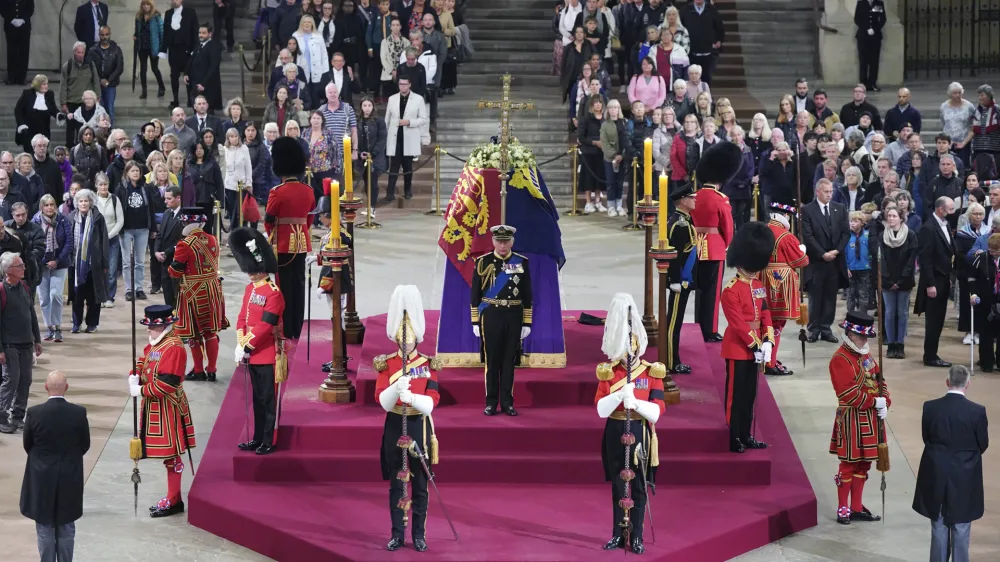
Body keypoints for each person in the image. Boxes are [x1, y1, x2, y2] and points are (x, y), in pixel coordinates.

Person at [594, 292, 665, 555]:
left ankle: (636, 535)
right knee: (617, 483)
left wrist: (636, 403)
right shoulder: (609, 372)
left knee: (637, 485)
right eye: (623, 350)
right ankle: (616, 533)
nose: (628, 354)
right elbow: (601, 409)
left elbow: (657, 412)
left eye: (631, 348)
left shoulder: (650, 371)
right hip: (614, 429)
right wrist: (618, 396)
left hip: (639, 430)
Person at [372, 284, 441, 552]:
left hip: (418, 425)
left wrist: (412, 398)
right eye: (401, 338)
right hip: (394, 425)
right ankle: (397, 534)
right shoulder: (386, 364)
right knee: (396, 485)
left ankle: (419, 534)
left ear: (417, 338)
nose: (405, 342)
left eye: (409, 338)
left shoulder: (427, 364)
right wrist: (395, 389)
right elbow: (381, 400)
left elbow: (433, 402)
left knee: (420, 486)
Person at [912, 365, 988, 562]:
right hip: (965, 475)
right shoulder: (977, 412)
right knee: (961, 526)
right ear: (967, 384)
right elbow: (982, 444)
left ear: (947, 382)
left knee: (938, 524)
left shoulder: (930, 407)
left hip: (936, 471)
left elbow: (926, 437)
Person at [127, 304, 195, 518]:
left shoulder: (173, 347)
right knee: (169, 456)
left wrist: (141, 390)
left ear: (164, 325)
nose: (148, 330)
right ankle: (173, 497)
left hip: (168, 407)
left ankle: (174, 499)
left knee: (172, 455)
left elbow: (168, 384)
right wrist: (135, 372)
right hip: (156, 406)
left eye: (151, 327)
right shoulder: (159, 343)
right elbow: (144, 360)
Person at [19, 371, 89, 562]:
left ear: (45, 387)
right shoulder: (78, 413)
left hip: (41, 477)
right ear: (66, 388)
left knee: (44, 527)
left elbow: (28, 444)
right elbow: (85, 444)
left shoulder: (34, 413)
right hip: (69, 476)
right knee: (66, 526)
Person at [829, 310, 888, 524]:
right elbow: (847, 393)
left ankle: (856, 506)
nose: (864, 339)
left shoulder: (866, 355)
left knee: (864, 465)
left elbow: (880, 380)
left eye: (866, 336)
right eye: (861, 336)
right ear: (850, 333)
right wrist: (875, 402)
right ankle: (843, 507)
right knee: (848, 464)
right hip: (851, 418)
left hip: (870, 419)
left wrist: (885, 402)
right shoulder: (840, 358)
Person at [721, 222, 775, 453]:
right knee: (735, 396)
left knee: (750, 395)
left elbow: (765, 313)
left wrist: (768, 340)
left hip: (756, 348)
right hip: (737, 348)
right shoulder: (730, 290)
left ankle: (746, 433)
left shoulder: (757, 284)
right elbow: (738, 324)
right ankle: (734, 436)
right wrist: (756, 344)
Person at [231, 227, 285, 455]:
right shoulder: (249, 289)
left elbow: (266, 325)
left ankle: (268, 440)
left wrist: (247, 344)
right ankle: (256, 437)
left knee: (267, 400)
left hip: (266, 352)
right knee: (256, 399)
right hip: (251, 352)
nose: (250, 274)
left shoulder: (274, 293)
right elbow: (242, 317)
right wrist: (240, 342)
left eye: (253, 270)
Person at [471, 225, 532, 417]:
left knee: (509, 361)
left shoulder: (521, 262)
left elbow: (527, 294)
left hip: (513, 316)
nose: (502, 245)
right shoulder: (483, 262)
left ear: (512, 242)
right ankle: (491, 402)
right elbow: (475, 293)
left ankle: (507, 403)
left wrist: (527, 322)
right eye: (499, 241)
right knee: (492, 361)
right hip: (491, 316)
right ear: (493, 242)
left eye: (506, 241)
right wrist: (474, 321)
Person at [167, 207, 228, 382]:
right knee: (211, 332)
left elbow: (175, 272)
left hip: (193, 293)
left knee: (193, 334)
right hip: (213, 289)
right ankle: (212, 369)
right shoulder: (213, 239)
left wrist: (171, 267)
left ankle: (199, 370)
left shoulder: (184, 244)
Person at [264, 137, 315, 340]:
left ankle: (285, 328)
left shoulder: (277, 192)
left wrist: (273, 237)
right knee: (299, 285)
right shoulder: (308, 191)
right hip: (301, 242)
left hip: (283, 244)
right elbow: (309, 219)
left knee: (283, 286)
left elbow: (269, 220)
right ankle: (298, 326)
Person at [691, 142, 737, 343]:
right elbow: (727, 227)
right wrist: (727, 244)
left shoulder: (695, 196)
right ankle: (710, 330)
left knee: (700, 290)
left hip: (696, 246)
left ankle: (698, 324)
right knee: (713, 292)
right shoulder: (721, 199)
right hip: (715, 247)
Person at [763, 201, 808, 376]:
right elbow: (800, 261)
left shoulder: (762, 231)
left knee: (765, 321)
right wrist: (802, 250)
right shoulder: (786, 236)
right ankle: (770, 361)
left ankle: (767, 357)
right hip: (781, 283)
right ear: (786, 216)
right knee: (776, 325)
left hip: (762, 280)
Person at [0, 252, 43, 434]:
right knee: (11, 380)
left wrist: (37, 339)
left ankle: (18, 416)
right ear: (9, 270)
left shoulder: (24, 286)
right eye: (20, 266)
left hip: (26, 343)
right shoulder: (1, 290)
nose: (24, 268)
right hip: (9, 344)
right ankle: (2, 417)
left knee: (26, 380)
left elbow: (31, 314)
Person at [802, 179, 849, 342]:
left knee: (830, 296)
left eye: (831, 191)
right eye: (826, 192)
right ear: (818, 192)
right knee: (816, 296)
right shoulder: (807, 210)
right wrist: (822, 254)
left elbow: (845, 233)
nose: (830, 194)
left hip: (835, 261)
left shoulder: (840, 208)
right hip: (816, 261)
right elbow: (807, 236)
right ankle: (813, 329)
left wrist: (835, 251)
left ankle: (826, 328)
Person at [916, 197, 957, 367]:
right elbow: (925, 260)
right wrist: (930, 284)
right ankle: (930, 355)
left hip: (944, 278)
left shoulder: (945, 224)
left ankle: (933, 353)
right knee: (933, 320)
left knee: (939, 319)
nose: (953, 212)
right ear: (940, 209)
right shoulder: (928, 228)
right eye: (951, 209)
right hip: (934, 281)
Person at [876, 206, 917, 359]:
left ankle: (900, 344)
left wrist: (900, 281)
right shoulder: (882, 236)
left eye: (894, 216)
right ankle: (891, 344)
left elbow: (911, 260)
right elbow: (881, 260)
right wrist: (888, 280)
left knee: (902, 313)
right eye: (889, 216)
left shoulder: (910, 235)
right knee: (889, 313)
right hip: (887, 281)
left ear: (901, 218)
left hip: (904, 281)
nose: (891, 218)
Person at [665, 183, 697, 374]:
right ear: (683, 201)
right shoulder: (679, 223)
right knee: (673, 323)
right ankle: (671, 361)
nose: (695, 200)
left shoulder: (685, 220)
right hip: (680, 280)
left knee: (676, 321)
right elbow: (674, 254)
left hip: (686, 279)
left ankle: (674, 359)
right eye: (692, 198)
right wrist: (675, 280)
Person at [32, 196, 70, 341]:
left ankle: (58, 326)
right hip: (41, 265)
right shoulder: (35, 221)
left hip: (59, 263)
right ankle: (49, 328)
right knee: (43, 299)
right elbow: (34, 243)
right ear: (41, 207)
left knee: (56, 295)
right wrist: (43, 261)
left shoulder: (62, 220)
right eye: (46, 205)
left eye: (52, 204)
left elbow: (69, 243)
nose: (49, 207)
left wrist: (57, 260)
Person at [384, 77, 426, 202]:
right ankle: (390, 192)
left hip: (409, 136)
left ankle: (408, 190)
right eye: (401, 84)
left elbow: (423, 119)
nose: (403, 86)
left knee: (408, 167)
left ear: (410, 84)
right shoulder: (392, 98)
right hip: (395, 137)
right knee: (394, 167)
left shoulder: (418, 99)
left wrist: (409, 122)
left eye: (405, 84)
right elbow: (387, 119)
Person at [59, 43, 100, 148]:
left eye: (82, 52)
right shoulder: (67, 66)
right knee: (70, 127)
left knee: (83, 127)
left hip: (85, 103)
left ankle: (82, 147)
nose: (80, 55)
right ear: (74, 52)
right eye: (78, 52)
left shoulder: (90, 64)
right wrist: (63, 103)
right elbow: (63, 86)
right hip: (71, 101)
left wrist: (97, 98)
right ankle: (69, 148)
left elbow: (96, 81)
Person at [160, 0, 199, 110]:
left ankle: (190, 99)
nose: (174, 1)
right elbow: (166, 32)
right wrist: (163, 48)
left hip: (186, 49)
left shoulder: (190, 12)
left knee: (188, 75)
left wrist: (194, 48)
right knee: (174, 75)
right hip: (173, 50)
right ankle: (176, 99)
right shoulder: (168, 13)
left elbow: (195, 30)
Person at [86, 26, 124, 124]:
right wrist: (100, 80)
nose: (105, 37)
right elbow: (90, 68)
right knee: (98, 110)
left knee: (110, 110)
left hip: (111, 84)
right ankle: (100, 134)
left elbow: (119, 68)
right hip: (97, 84)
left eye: (106, 34)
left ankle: (110, 133)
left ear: (110, 34)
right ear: (99, 35)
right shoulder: (93, 50)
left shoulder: (116, 49)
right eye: (102, 35)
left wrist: (108, 80)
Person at [680, 0, 723, 85]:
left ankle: (706, 96)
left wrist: (718, 40)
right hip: (691, 51)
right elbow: (681, 28)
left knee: (707, 77)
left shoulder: (711, 10)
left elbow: (719, 27)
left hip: (708, 51)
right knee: (691, 77)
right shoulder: (685, 10)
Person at [14, 76, 60, 155]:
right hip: (29, 130)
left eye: (47, 84)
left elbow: (53, 109)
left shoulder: (49, 94)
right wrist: (21, 124)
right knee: (29, 153)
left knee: (43, 152)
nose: (46, 86)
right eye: (44, 84)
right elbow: (18, 110)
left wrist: (59, 115)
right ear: (38, 85)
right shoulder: (27, 94)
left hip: (44, 129)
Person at [154, 186, 183, 307]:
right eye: (165, 198)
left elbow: (183, 240)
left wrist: (167, 252)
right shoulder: (166, 213)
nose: (165, 201)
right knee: (167, 291)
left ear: (178, 198)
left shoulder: (185, 216)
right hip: (164, 260)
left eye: (169, 199)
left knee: (177, 292)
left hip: (176, 259)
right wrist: (156, 251)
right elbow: (160, 235)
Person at [185, 24, 222, 110]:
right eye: (199, 33)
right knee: (196, 108)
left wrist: (203, 83)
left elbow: (213, 67)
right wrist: (186, 73)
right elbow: (191, 60)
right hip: (195, 83)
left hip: (206, 86)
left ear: (210, 34)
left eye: (203, 33)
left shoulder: (214, 46)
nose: (200, 35)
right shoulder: (199, 45)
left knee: (207, 110)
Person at [134, 0, 166, 99]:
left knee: (154, 68)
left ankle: (161, 87)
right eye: (143, 4)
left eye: (148, 4)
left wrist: (162, 47)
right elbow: (137, 30)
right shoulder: (138, 17)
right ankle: (144, 91)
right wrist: (135, 36)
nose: (145, 6)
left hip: (153, 47)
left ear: (151, 5)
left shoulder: (156, 16)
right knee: (143, 70)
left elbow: (161, 31)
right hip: (142, 47)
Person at [854, 0, 886, 91]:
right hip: (863, 36)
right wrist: (866, 29)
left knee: (874, 61)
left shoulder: (879, 3)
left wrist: (875, 29)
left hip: (875, 37)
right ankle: (863, 83)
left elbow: (883, 19)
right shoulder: (861, 3)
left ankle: (872, 83)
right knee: (863, 61)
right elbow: (857, 19)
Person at [1, 0, 33, 86]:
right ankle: (11, 77)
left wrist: (23, 20)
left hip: (24, 27)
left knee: (24, 52)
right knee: (11, 52)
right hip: (10, 26)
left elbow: (30, 9)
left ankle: (22, 78)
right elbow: (2, 9)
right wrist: (11, 19)